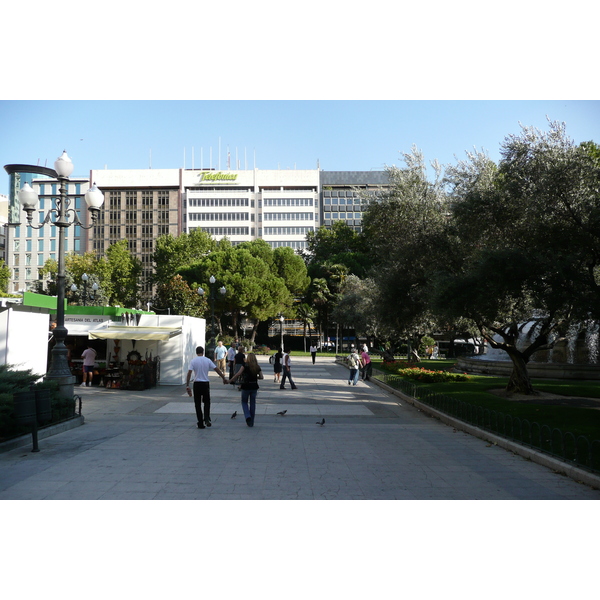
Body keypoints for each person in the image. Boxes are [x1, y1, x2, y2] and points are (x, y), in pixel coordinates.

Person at [186, 345, 228, 429]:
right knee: (207, 402)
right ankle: (207, 418)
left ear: (196, 352)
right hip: (205, 383)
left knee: (197, 404)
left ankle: (200, 422)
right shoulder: (207, 360)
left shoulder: (193, 361)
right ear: (203, 352)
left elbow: (189, 373)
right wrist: (223, 378)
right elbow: (216, 369)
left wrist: (187, 385)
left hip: (197, 384)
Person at [228, 352, 264, 427]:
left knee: (244, 402)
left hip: (246, 386)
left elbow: (238, 374)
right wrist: (255, 377)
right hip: (254, 386)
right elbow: (261, 377)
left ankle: (248, 416)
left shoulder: (244, 366)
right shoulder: (257, 366)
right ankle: (251, 422)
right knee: (252, 403)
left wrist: (230, 380)